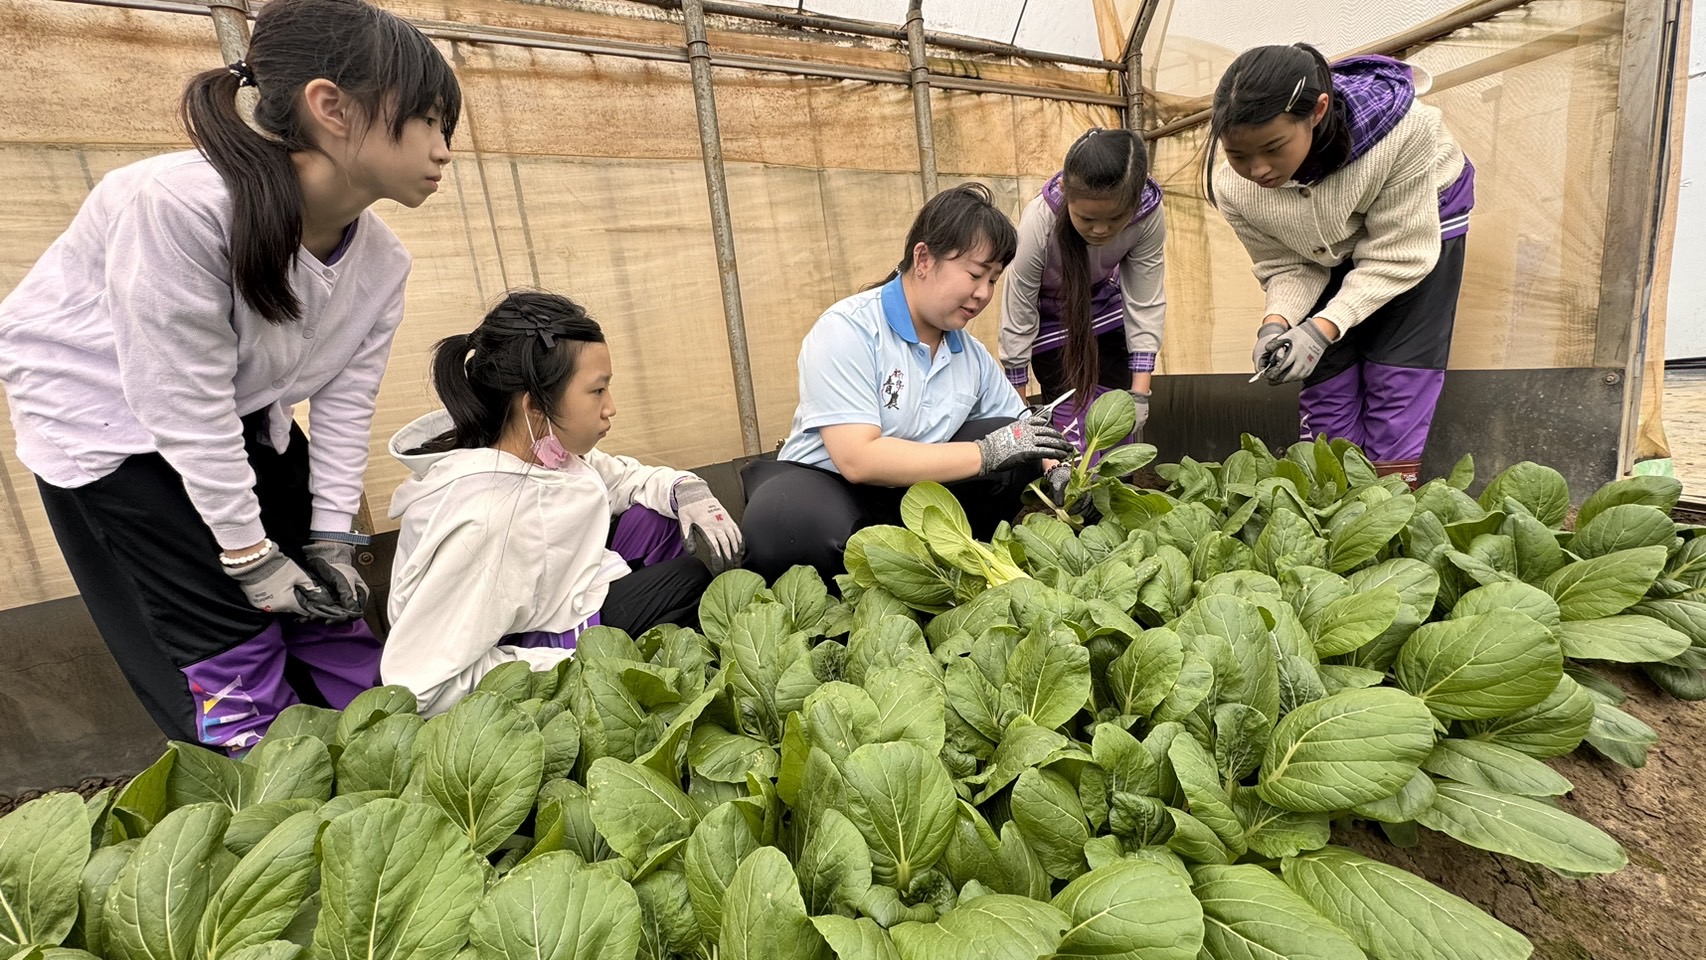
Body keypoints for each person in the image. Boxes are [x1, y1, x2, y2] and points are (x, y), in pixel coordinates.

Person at [0, 0, 461, 752]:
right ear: (330, 107)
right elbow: (179, 402)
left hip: (244, 415)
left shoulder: (382, 261)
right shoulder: (176, 206)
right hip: (110, 432)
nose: (444, 150)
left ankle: (391, 768)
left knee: (327, 608)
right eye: (431, 121)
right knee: (226, 634)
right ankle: (270, 798)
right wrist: (249, 556)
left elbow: (345, 404)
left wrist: (332, 539)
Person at [382, 291, 741, 717]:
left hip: (557, 606)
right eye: (597, 391)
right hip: (535, 655)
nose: (611, 408)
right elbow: (418, 684)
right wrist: (575, 666)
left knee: (657, 519)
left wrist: (685, 489)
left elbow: (621, 478)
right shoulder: (487, 520)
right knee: (692, 579)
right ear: (534, 406)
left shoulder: (543, 450)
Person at [741, 184, 1074, 583]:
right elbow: (857, 460)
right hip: (832, 488)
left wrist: (1058, 469)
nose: (983, 294)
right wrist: (986, 453)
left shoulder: (970, 354)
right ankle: (845, 603)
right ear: (923, 258)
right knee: (788, 520)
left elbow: (1023, 428)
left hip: (912, 495)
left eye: (993, 280)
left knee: (1013, 440)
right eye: (974, 274)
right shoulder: (848, 330)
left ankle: (944, 571)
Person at [1209, 44, 1474, 485]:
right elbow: (1287, 263)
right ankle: (1335, 497)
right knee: (1325, 373)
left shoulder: (1406, 133)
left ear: (1317, 112)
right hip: (1323, 241)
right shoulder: (1234, 189)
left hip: (1419, 229)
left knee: (1397, 374)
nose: (1257, 170)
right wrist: (1276, 324)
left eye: (1273, 148)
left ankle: (1390, 499)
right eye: (1239, 156)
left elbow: (1399, 254)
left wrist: (1322, 327)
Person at [1000, 127, 1167, 445]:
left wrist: (1140, 391)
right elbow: (1019, 308)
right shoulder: (1040, 220)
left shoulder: (1148, 214)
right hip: (1049, 326)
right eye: (1087, 218)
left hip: (1104, 312)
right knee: (1072, 440)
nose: (1101, 230)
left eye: (1116, 218)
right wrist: (1017, 410)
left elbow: (1145, 299)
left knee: (1116, 440)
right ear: (1065, 190)